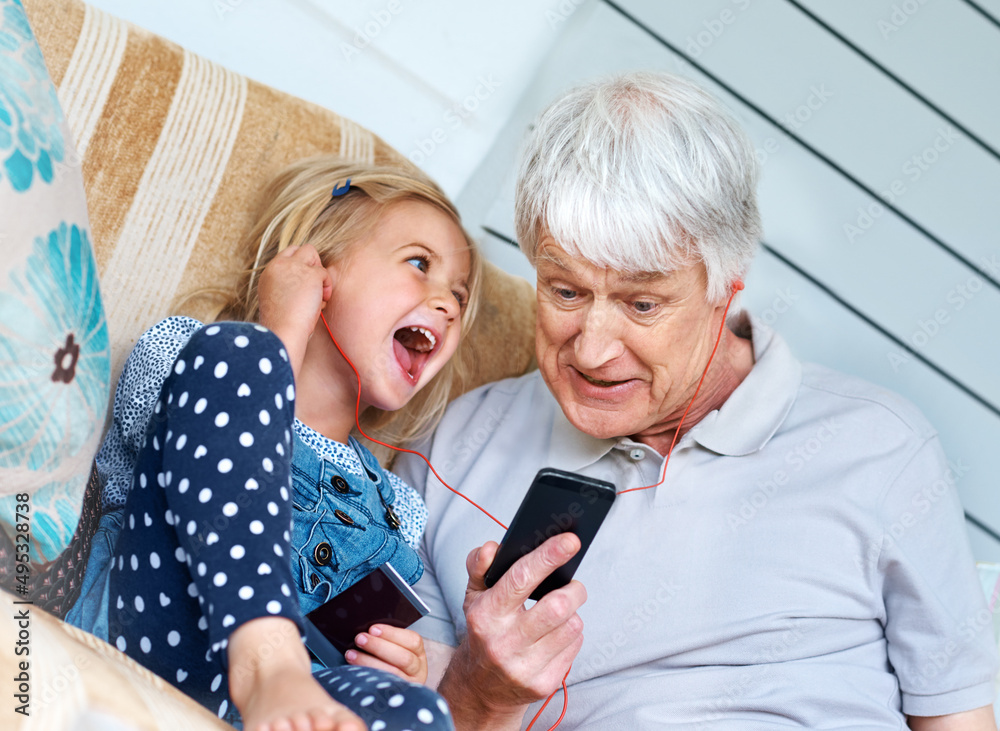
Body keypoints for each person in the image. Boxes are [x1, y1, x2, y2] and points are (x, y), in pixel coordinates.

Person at [393, 72, 1000, 730]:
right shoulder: (447, 452)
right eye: (565, 291)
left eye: (642, 302)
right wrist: (482, 693)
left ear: (727, 284)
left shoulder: (880, 446)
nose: (592, 350)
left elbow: (958, 719)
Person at [68, 157, 481, 731]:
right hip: (151, 636)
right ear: (318, 267)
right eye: (419, 264)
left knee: (416, 710)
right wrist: (282, 332)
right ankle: (267, 666)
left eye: (459, 295)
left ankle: (284, 681)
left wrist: (394, 665)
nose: (448, 303)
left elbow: (341, 652)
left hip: (270, 712)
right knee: (241, 356)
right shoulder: (193, 351)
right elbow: (203, 444)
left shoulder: (396, 507)